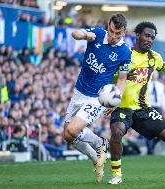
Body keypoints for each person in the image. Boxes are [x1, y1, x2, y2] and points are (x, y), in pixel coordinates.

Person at [108, 21, 165, 184]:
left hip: (144, 110)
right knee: (117, 133)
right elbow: (108, 75)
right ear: (137, 35)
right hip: (122, 107)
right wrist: (120, 77)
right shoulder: (125, 54)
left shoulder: (154, 57)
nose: (150, 39)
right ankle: (116, 174)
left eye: (152, 37)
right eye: (147, 35)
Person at [62, 13, 131, 183]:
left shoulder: (124, 52)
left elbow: (122, 80)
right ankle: (96, 158)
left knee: (72, 130)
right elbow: (75, 34)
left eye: (118, 33)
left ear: (124, 31)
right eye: (112, 31)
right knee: (67, 136)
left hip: (97, 97)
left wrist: (117, 98)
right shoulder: (98, 34)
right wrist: (86, 35)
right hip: (79, 91)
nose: (114, 36)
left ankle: (100, 143)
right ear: (108, 25)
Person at [146, 70, 165, 154]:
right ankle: (150, 149)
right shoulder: (145, 84)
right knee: (149, 129)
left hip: (158, 108)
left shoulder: (160, 86)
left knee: (160, 129)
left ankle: (152, 146)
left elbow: (163, 98)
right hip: (149, 107)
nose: (154, 76)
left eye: (155, 74)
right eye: (153, 74)